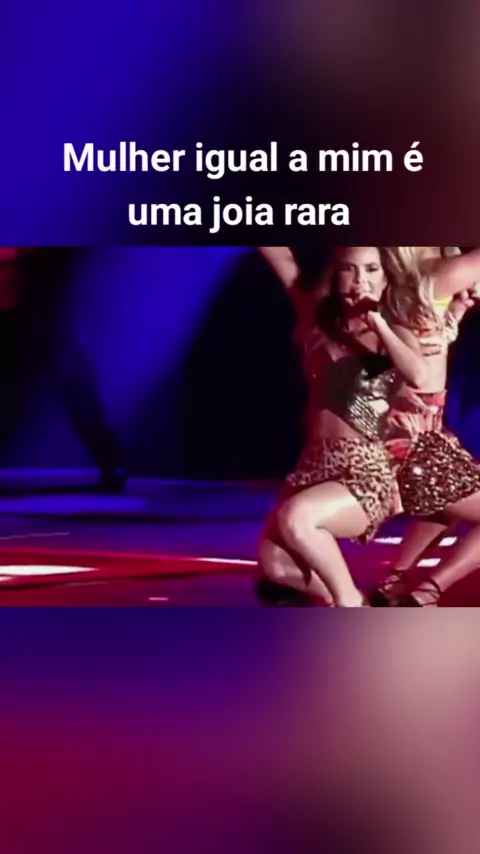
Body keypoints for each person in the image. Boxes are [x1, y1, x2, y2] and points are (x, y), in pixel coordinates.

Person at [256, 246, 429, 607]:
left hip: (363, 471)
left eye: (371, 270)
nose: (360, 280)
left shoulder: (394, 333)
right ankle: (352, 604)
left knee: (298, 519)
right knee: (275, 565)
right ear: (336, 277)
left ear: (385, 279)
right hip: (313, 466)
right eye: (350, 270)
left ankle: (348, 602)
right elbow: (282, 258)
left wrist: (378, 323)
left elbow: (419, 374)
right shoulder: (317, 319)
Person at [370, 247, 480, 605]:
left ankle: (394, 584)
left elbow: (428, 343)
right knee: (452, 494)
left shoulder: (410, 290)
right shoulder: (433, 279)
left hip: (419, 436)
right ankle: (426, 593)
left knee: (447, 503)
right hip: (412, 442)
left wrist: (458, 310)